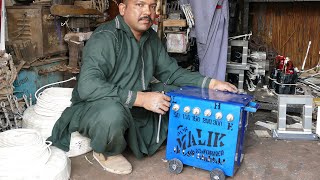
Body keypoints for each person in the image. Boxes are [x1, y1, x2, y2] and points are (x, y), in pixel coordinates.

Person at [48, 0, 238, 175]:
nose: (148, 11)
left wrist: (211, 83)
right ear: (123, 9)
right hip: (97, 105)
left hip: (132, 101)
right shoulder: (106, 37)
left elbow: (171, 73)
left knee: (173, 92)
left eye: (152, 6)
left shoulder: (151, 37)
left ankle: (143, 135)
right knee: (112, 114)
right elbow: (88, 86)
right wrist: (142, 99)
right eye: (140, 4)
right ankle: (107, 151)